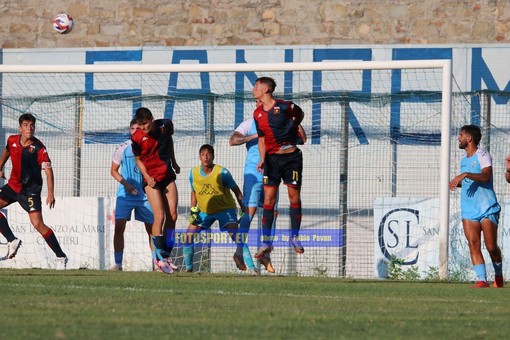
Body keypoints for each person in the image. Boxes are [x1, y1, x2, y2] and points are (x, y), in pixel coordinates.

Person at [229, 100, 307, 274]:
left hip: (274, 170)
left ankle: (266, 253)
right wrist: (253, 136)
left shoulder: (280, 121)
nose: (259, 103)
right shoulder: (250, 123)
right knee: (249, 214)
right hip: (254, 174)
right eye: (256, 101)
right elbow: (232, 140)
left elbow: (302, 138)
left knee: (272, 211)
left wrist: (294, 123)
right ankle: (239, 251)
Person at [0, 113, 68, 269]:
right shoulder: (12, 140)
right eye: (25, 125)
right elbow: (7, 151)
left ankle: (60, 256)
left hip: (31, 191)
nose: (29, 128)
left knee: (38, 224)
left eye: (32, 125)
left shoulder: (38, 148)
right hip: (13, 186)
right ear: (20, 128)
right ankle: (12, 240)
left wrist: (50, 193)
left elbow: (49, 171)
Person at [252, 76, 305, 268]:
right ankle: (266, 241)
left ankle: (294, 237)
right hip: (272, 161)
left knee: (293, 198)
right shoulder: (257, 113)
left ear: (266, 89)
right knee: (269, 200)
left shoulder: (285, 106)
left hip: (291, 159)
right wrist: (262, 159)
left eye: (256, 86)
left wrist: (293, 128)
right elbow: (261, 139)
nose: (254, 89)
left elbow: (300, 115)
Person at [449, 125, 503, 288]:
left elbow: (486, 176)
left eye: (461, 135)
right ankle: (482, 280)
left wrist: (464, 175)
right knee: (473, 243)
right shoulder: (463, 160)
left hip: (487, 207)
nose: (458, 138)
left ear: (469, 138)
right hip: (469, 209)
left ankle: (499, 275)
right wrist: (456, 182)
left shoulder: (483, 155)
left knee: (491, 247)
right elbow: (469, 182)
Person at [182, 144, 246, 272]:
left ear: (213, 157)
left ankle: (246, 263)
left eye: (208, 154)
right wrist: (193, 210)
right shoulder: (193, 173)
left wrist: (243, 209)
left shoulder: (222, 172)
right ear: (199, 157)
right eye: (203, 154)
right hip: (205, 211)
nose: (205, 157)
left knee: (235, 234)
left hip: (225, 209)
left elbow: (236, 191)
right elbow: (194, 192)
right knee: (187, 236)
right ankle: (188, 269)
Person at [131, 107, 180, 274]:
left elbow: (169, 141)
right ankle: (158, 258)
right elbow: (138, 159)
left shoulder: (165, 126)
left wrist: (173, 161)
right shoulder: (137, 138)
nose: (143, 127)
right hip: (151, 179)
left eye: (145, 123)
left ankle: (166, 254)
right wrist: (146, 176)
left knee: (173, 215)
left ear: (152, 119)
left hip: (166, 174)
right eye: (140, 124)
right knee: (159, 215)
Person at [110, 119, 155, 271]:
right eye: (132, 128)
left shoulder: (148, 147)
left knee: (152, 230)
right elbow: (113, 171)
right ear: (129, 130)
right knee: (119, 228)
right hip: (126, 194)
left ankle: (157, 264)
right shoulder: (122, 148)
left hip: (145, 194)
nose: (135, 130)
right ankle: (118, 264)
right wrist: (127, 186)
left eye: (138, 128)